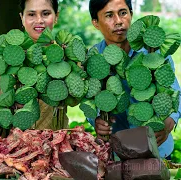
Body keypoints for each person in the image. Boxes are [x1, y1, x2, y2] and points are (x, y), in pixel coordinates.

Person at [88, 0, 181, 158]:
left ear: (131, 14)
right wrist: (95, 119)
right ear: (96, 23)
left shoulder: (155, 53)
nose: (118, 21)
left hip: (158, 150)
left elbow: (175, 93)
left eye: (123, 13)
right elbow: (90, 98)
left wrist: (170, 121)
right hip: (117, 153)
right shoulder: (94, 57)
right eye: (109, 15)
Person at [19, 0, 69, 130]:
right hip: (13, 143)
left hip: (57, 142)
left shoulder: (68, 56)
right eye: (31, 14)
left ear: (56, 17)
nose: (39, 20)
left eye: (46, 13)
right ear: (22, 18)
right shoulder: (6, 59)